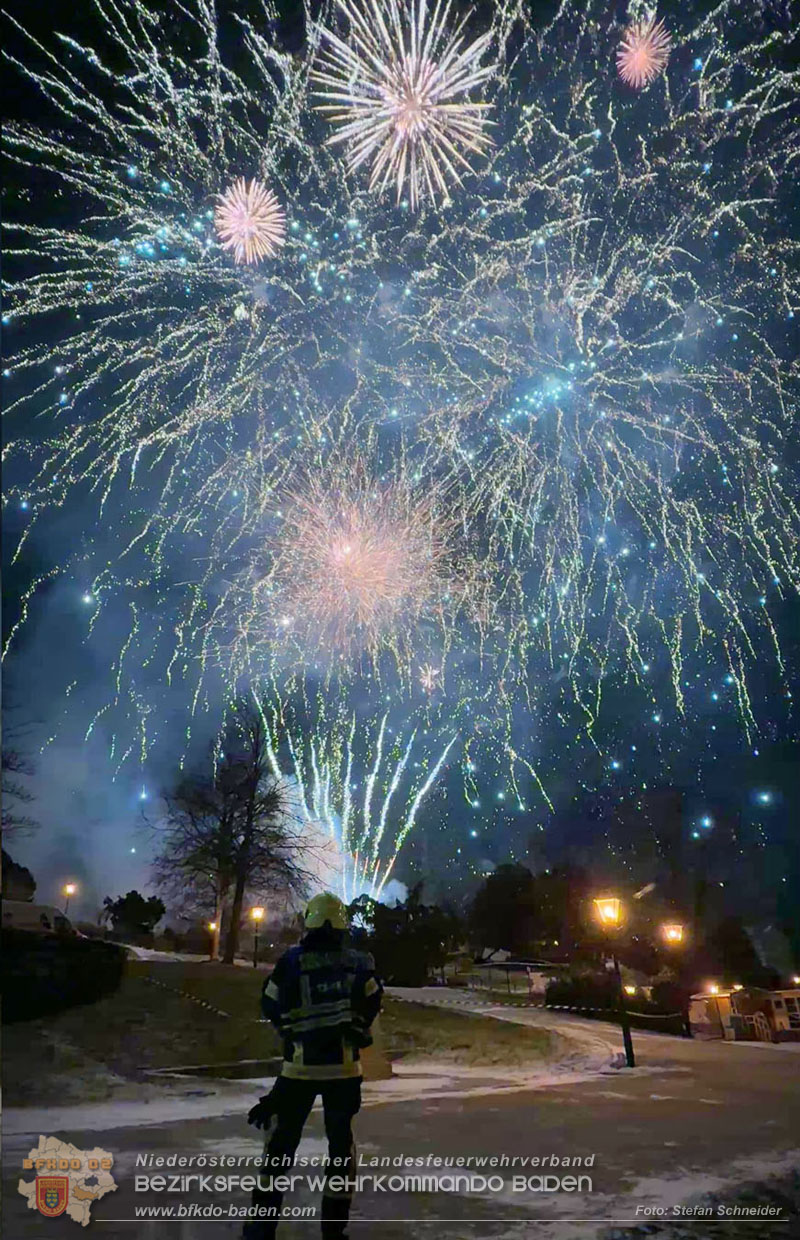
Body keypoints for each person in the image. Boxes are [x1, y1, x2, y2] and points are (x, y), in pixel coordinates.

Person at [244, 892, 383, 1240]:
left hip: (298, 1072)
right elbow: (372, 998)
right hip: (344, 1072)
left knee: (279, 1148)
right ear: (341, 924)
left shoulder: (290, 962)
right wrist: (356, 1025)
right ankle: (333, 1233)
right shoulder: (359, 962)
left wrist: (291, 1030)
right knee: (341, 1150)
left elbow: (270, 1002)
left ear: (308, 920)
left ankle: (260, 1232)